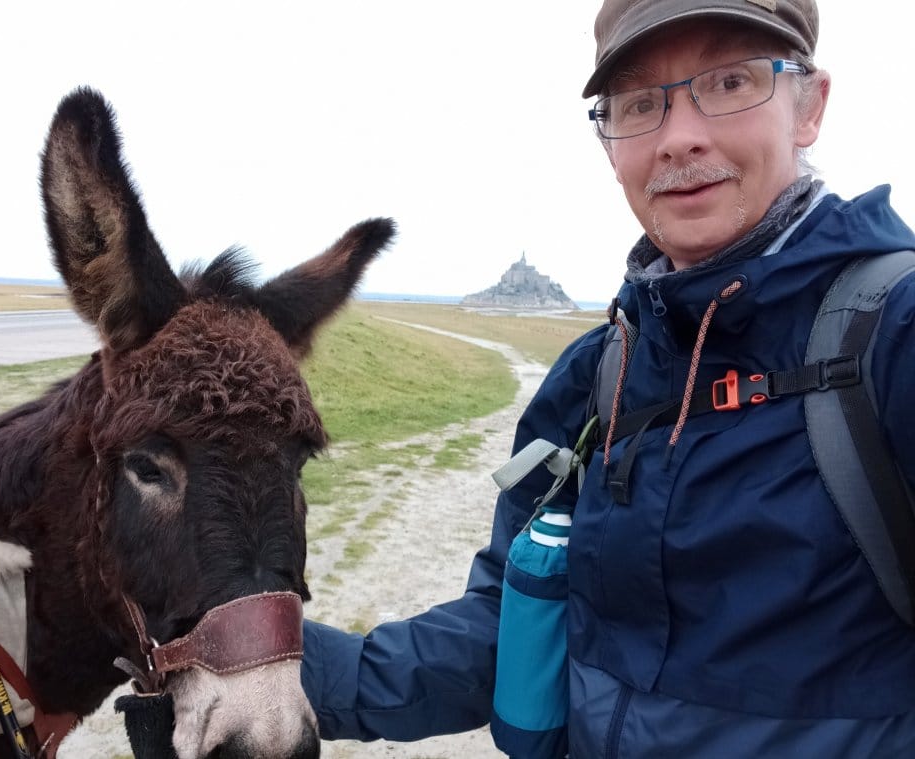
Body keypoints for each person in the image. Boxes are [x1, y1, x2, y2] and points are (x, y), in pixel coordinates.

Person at [301, 0, 915, 755]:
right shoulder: (599, 373)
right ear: (609, 141)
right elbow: (514, 625)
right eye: (639, 103)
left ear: (809, 105)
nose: (679, 136)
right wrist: (297, 674)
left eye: (729, 82)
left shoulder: (896, 337)